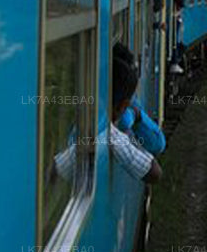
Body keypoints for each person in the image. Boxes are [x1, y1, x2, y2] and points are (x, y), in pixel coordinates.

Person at [52, 44, 161, 184]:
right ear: (123, 106)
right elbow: (154, 173)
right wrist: (120, 138)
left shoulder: (81, 111)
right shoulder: (108, 134)